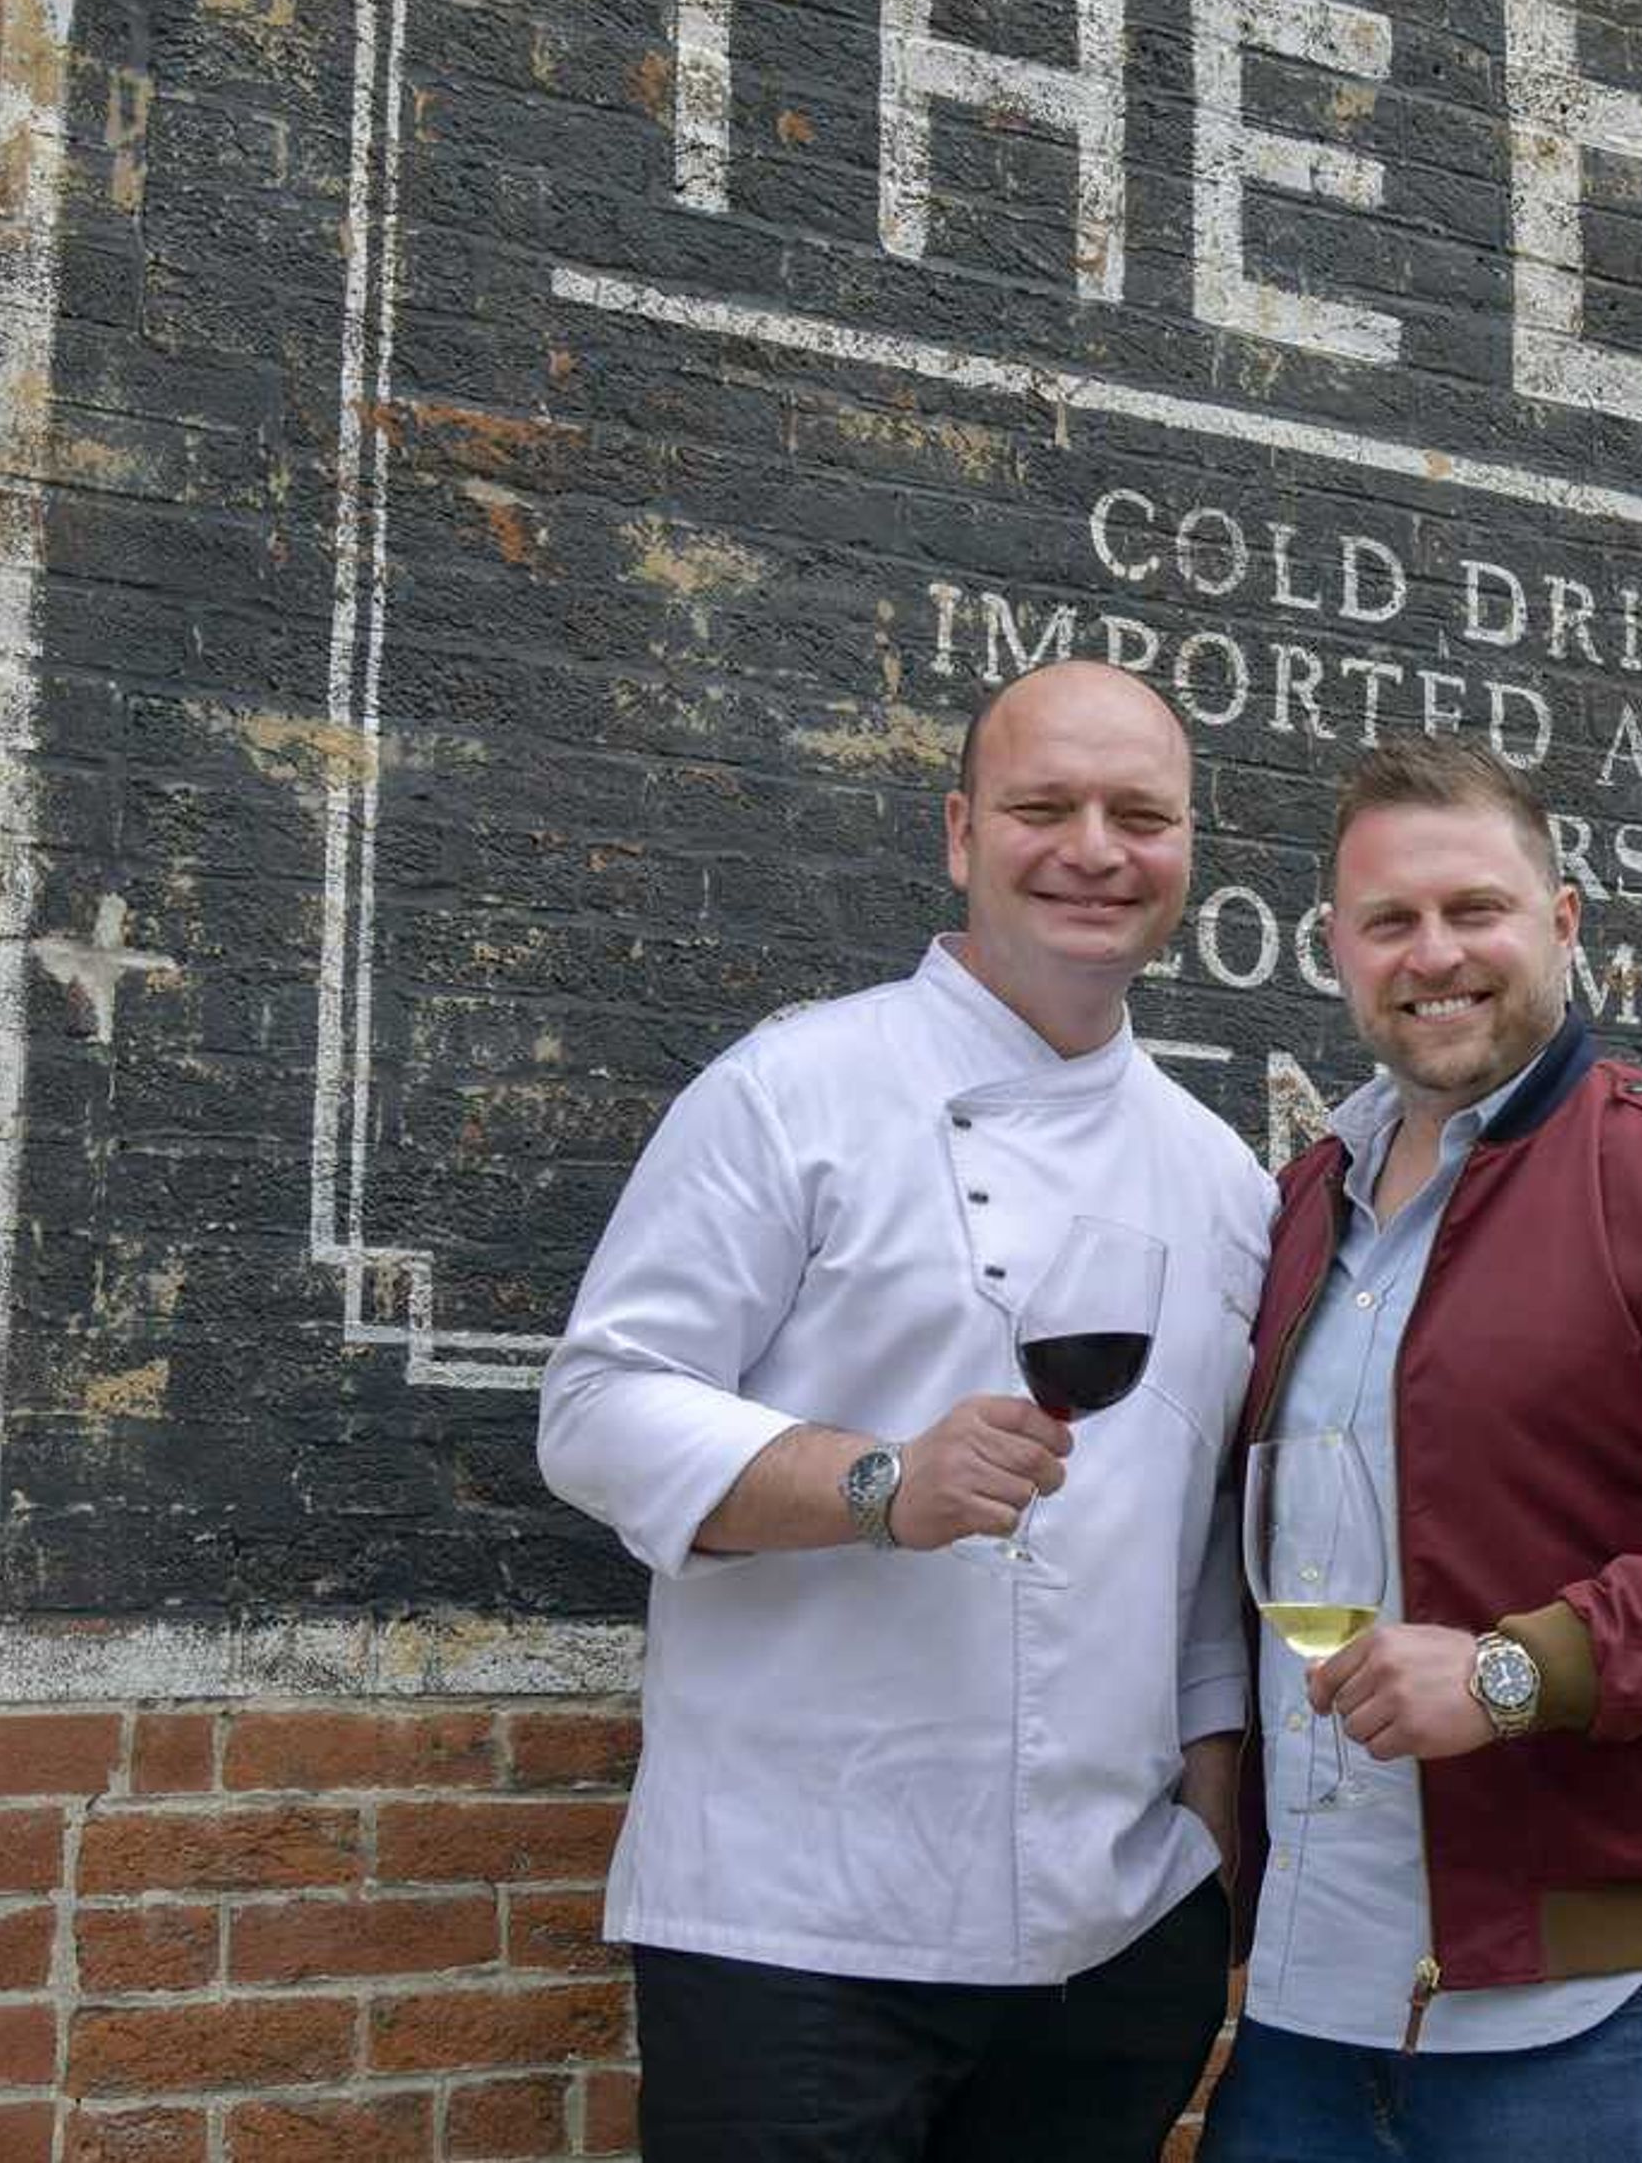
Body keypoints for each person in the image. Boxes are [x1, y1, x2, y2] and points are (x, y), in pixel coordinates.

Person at [536, 659, 1271, 2163]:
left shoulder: (1225, 1181)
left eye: (1140, 814)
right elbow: (599, 1409)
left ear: (1188, 851)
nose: (1092, 847)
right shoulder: (793, 1091)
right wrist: (880, 1482)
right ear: (957, 833)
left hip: (1112, 1937)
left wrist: (1210, 1826)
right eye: (1040, 806)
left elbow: (1204, 1535)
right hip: (797, 1926)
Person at [1200, 736, 1642, 2163]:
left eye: (1476, 909)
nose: (1433, 951)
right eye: (1390, 920)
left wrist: (1518, 1670)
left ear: (1562, 924)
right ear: (1337, 948)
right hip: (1311, 2012)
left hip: (1587, 2012)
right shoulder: (1299, 1206)